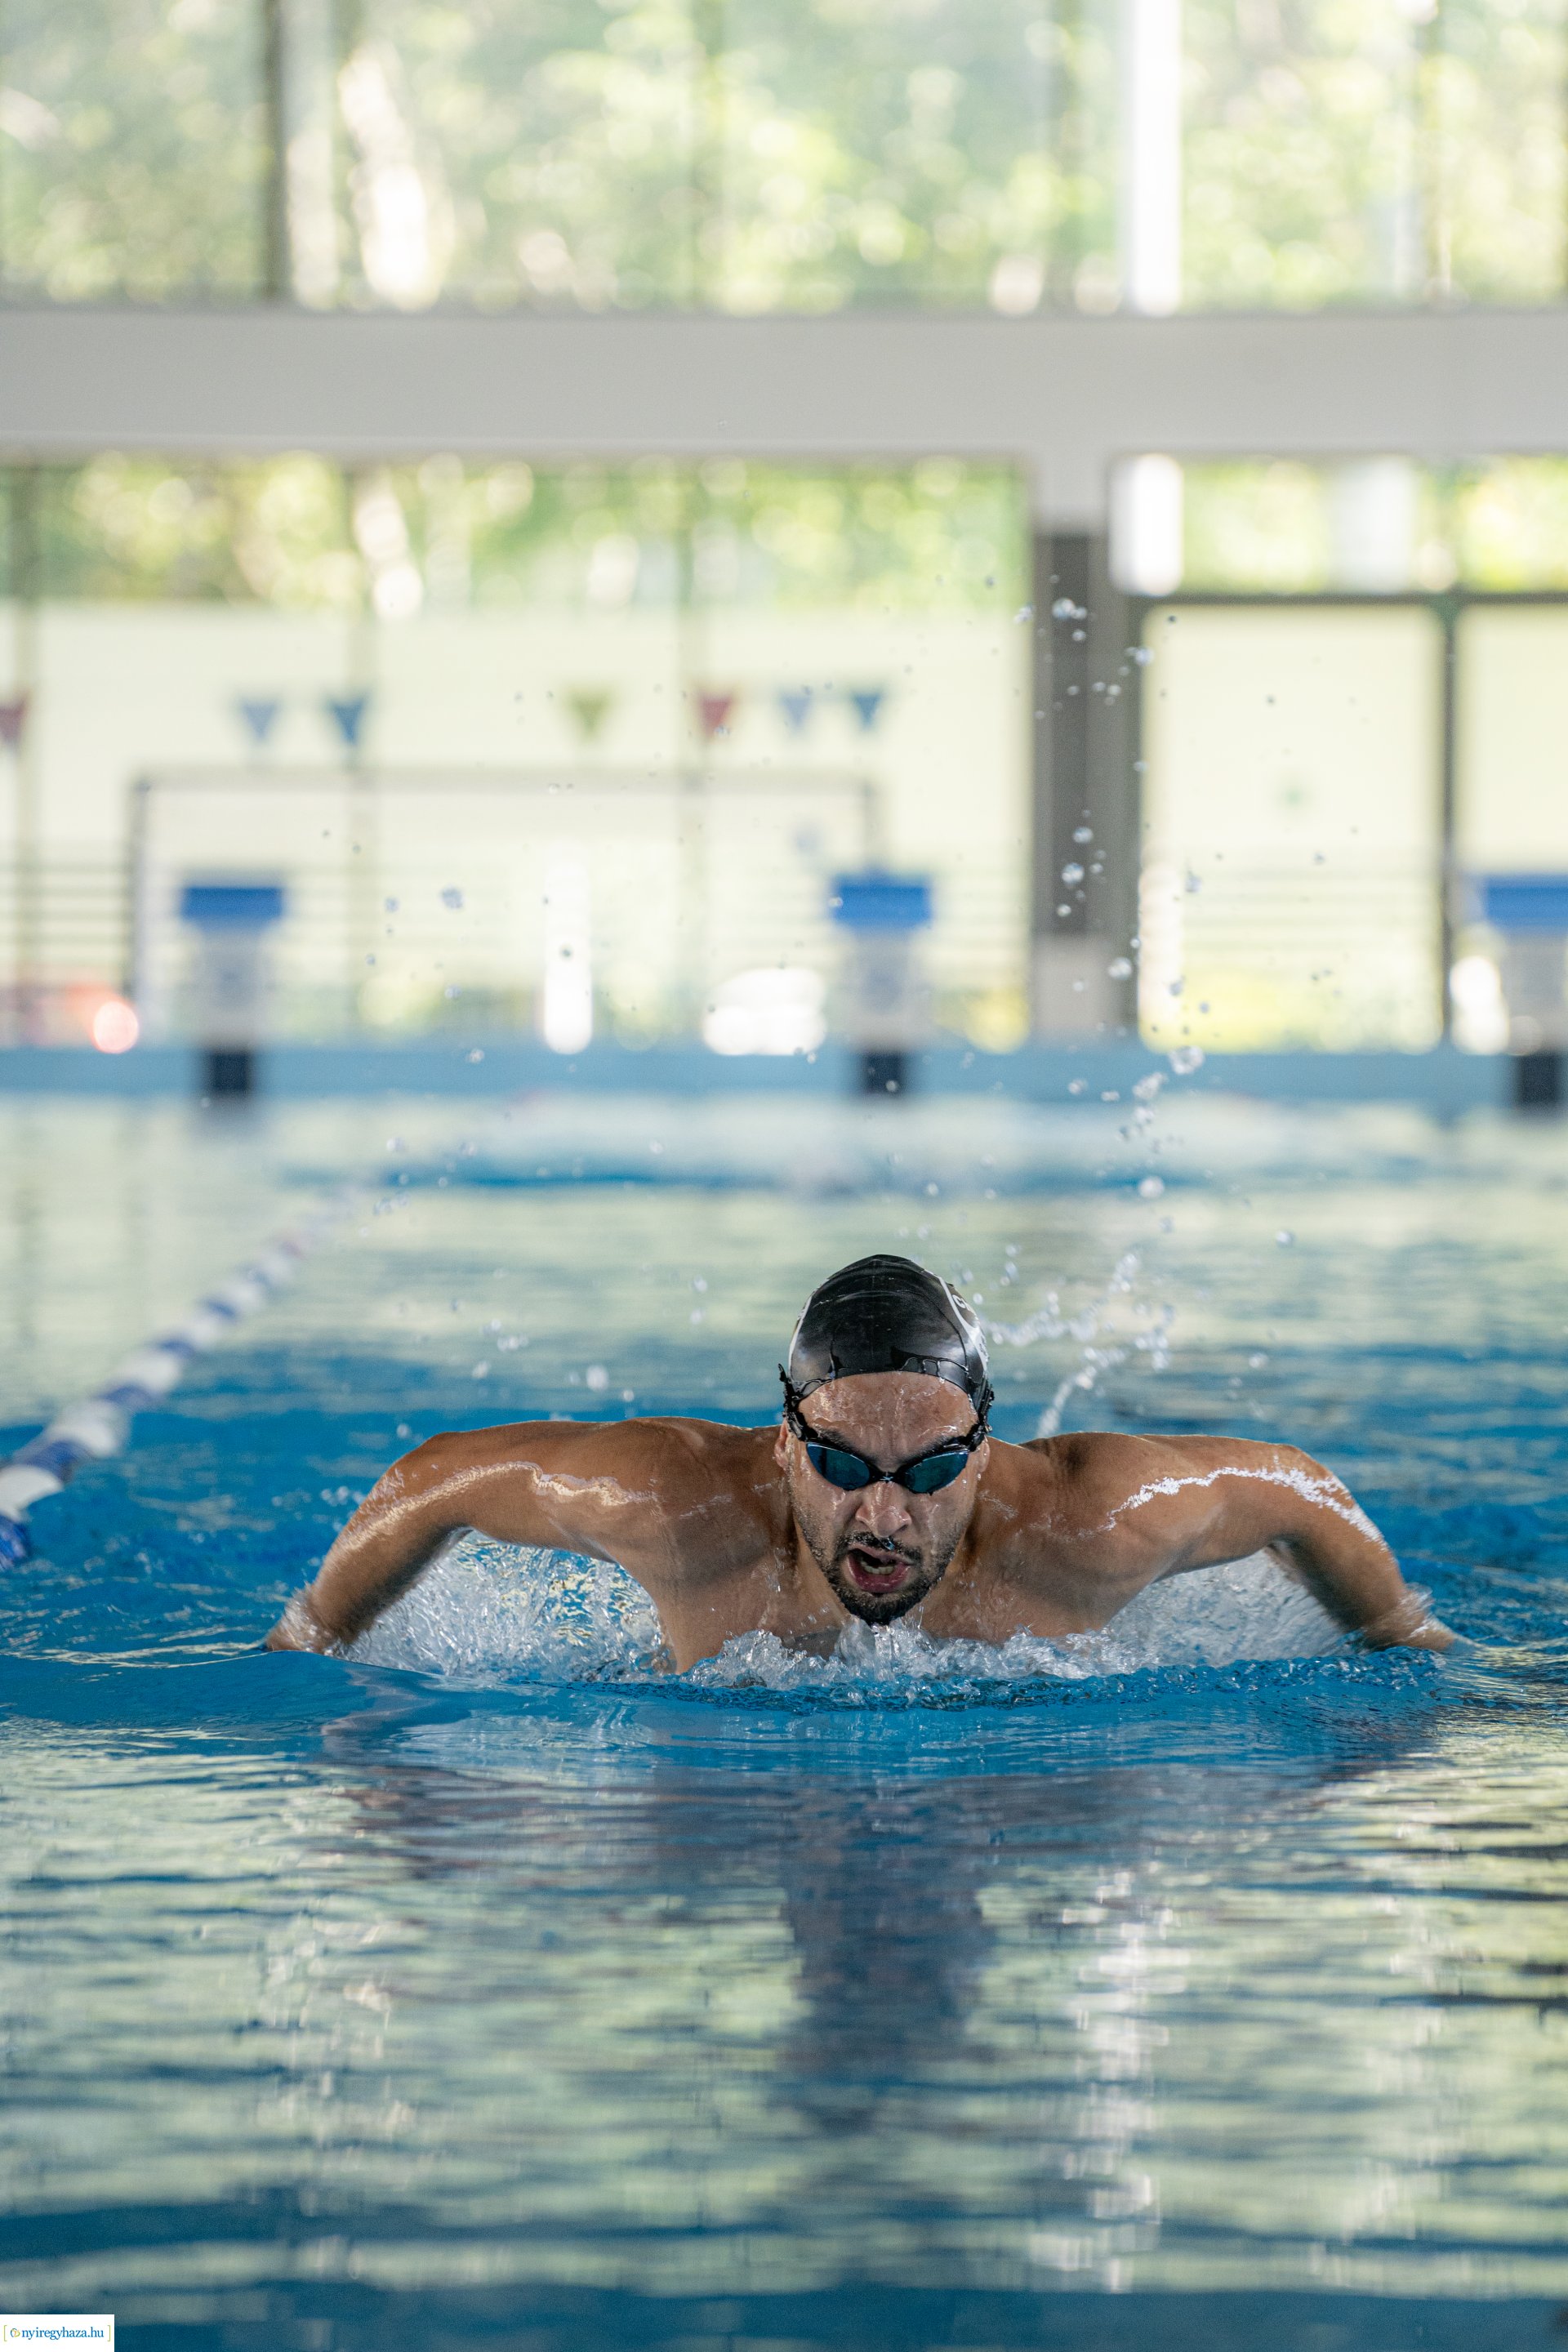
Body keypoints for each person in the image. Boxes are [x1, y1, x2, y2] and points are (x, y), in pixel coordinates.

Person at [265, 1254, 1449, 1671]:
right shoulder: (680, 1508)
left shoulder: (1092, 1523)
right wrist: (312, 1634)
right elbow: (433, 1479)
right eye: (840, 1465)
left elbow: (1300, 1489)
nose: (883, 1512)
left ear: (987, 1457)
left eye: (932, 1472)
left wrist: (1403, 1638)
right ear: (784, 1442)